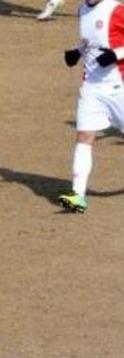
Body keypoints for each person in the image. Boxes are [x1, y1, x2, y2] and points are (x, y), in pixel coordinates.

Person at [59, 0, 124, 213]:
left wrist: (116, 54)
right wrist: (77, 52)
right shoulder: (82, 10)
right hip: (91, 88)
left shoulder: (116, 10)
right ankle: (78, 196)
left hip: (118, 87)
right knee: (84, 137)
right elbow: (89, 41)